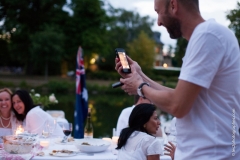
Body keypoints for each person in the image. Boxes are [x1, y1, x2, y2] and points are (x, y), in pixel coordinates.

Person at [115, 0, 240, 159]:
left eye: (158, 12)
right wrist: (140, 76)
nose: (158, 22)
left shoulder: (208, 35)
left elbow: (177, 105)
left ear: (173, 5)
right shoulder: (208, 36)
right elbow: (180, 96)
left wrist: (140, 86)